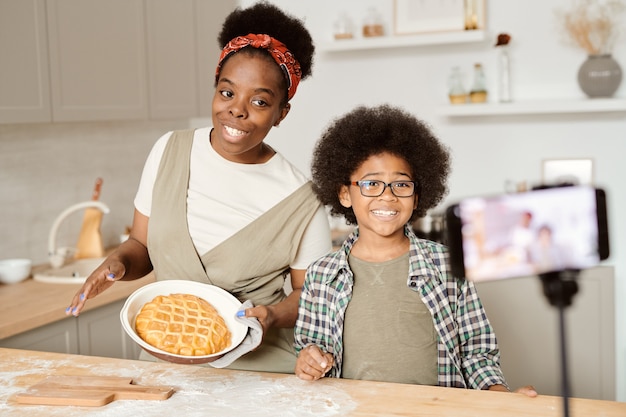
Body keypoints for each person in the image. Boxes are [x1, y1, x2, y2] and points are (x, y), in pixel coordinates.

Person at [65, 1, 331, 373]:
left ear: (281, 113)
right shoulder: (170, 150)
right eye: (227, 93)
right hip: (164, 354)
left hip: (257, 368)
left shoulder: (301, 200)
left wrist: (270, 315)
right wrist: (117, 265)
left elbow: (312, 297)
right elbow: (142, 245)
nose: (236, 110)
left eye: (259, 101)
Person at [293, 104, 536, 396]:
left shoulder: (448, 265)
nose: (388, 196)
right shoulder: (321, 275)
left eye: (401, 184)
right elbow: (309, 347)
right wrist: (309, 361)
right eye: (371, 184)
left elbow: (476, 353)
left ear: (417, 195)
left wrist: (502, 398)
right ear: (345, 194)